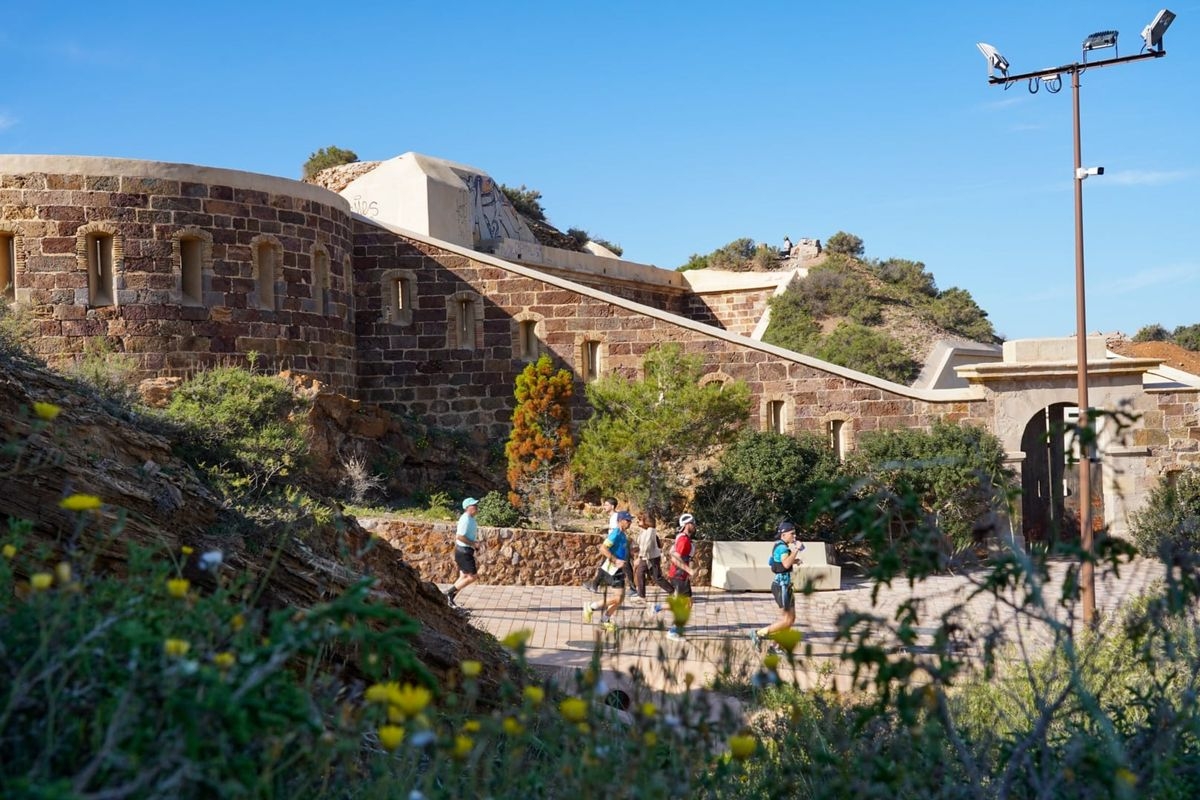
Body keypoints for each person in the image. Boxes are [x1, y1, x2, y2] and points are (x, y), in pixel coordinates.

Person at [750, 520, 804, 650]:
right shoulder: (783, 547)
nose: (794, 536)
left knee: (790, 620)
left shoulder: (779, 546)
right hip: (782, 587)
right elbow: (785, 564)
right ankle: (758, 634)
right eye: (792, 533)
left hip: (785, 585)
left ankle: (775, 647)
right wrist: (796, 550)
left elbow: (776, 562)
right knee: (786, 620)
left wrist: (794, 560)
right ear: (783, 534)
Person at [583, 510, 633, 631]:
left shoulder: (623, 534)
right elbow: (603, 548)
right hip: (612, 570)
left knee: (619, 598)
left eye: (630, 520)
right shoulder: (615, 533)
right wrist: (615, 560)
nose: (630, 523)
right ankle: (591, 607)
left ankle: (605, 620)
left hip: (619, 570)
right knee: (617, 598)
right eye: (627, 520)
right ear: (620, 521)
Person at [657, 513, 697, 640]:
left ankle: (657, 608)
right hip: (679, 575)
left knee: (687, 603)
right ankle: (673, 631)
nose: (694, 526)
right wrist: (689, 570)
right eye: (692, 523)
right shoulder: (683, 539)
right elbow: (674, 557)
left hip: (680, 576)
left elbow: (672, 552)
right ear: (686, 525)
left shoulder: (684, 538)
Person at [444, 497, 482, 610]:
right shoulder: (465, 519)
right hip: (463, 551)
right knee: (472, 577)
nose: (476, 507)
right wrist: (473, 544)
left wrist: (474, 543)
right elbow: (459, 536)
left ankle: (449, 599)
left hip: (464, 551)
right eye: (474, 505)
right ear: (467, 508)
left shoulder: (470, 518)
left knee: (463, 576)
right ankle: (448, 594)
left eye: (476, 505)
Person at [633, 511, 673, 603]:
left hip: (651, 558)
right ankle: (641, 596)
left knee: (657, 577)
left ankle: (673, 591)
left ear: (646, 521)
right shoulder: (644, 530)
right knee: (640, 574)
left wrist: (639, 558)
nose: (637, 521)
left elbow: (647, 546)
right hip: (646, 557)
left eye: (639, 519)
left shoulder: (651, 531)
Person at [584, 497, 620, 593]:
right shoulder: (613, 517)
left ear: (612, 506)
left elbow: (616, 532)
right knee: (605, 566)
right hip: (612, 545)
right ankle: (595, 585)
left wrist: (610, 544)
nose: (604, 507)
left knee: (608, 566)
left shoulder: (616, 517)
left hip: (614, 546)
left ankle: (595, 585)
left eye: (606, 505)